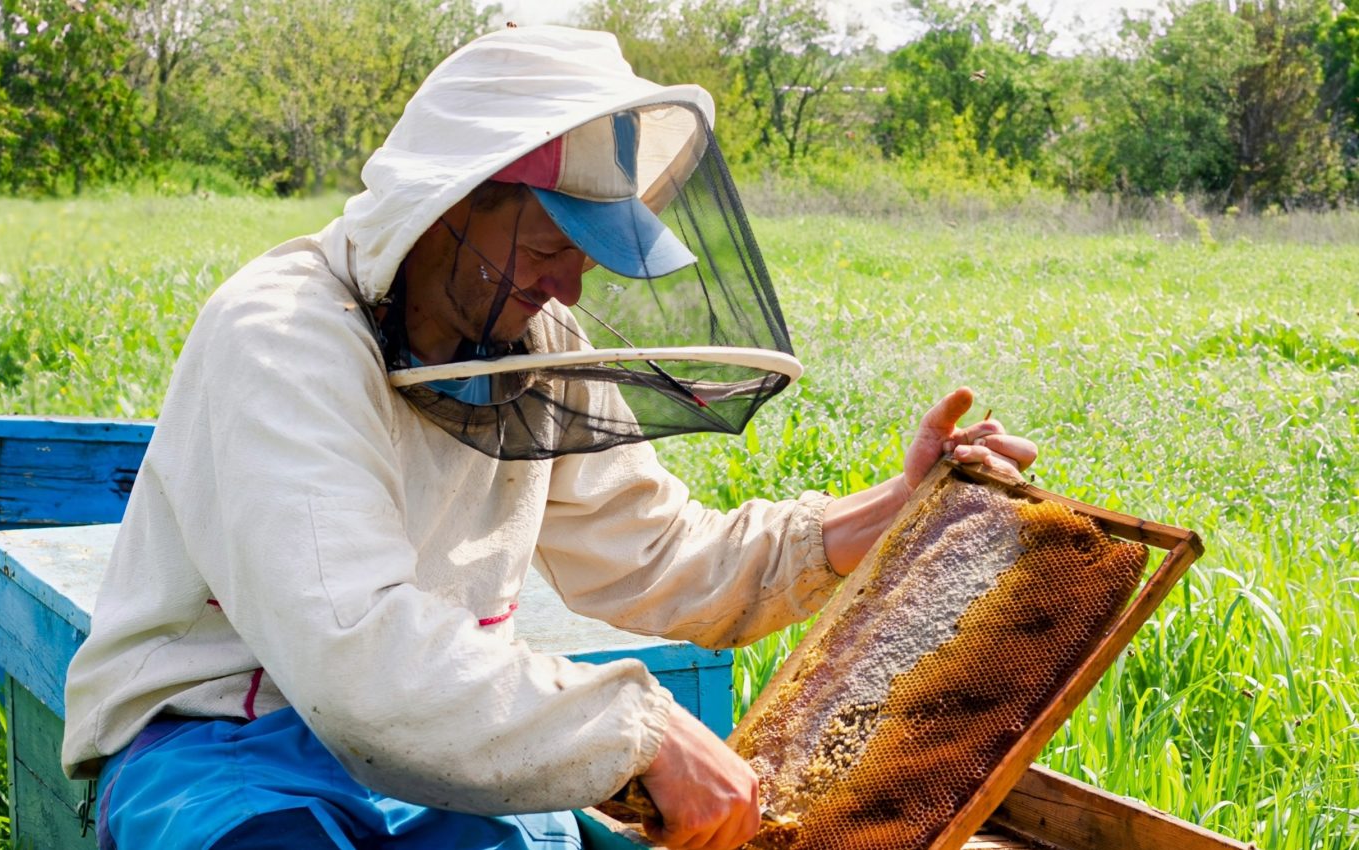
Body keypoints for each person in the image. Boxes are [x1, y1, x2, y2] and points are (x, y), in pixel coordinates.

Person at [62, 25, 1036, 850]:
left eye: (587, 256)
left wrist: (880, 516)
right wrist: (641, 727)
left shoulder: (529, 341)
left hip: (436, 739)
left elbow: (655, 554)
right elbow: (354, 654)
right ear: (451, 205)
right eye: (547, 246)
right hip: (223, 747)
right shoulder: (281, 338)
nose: (566, 288)